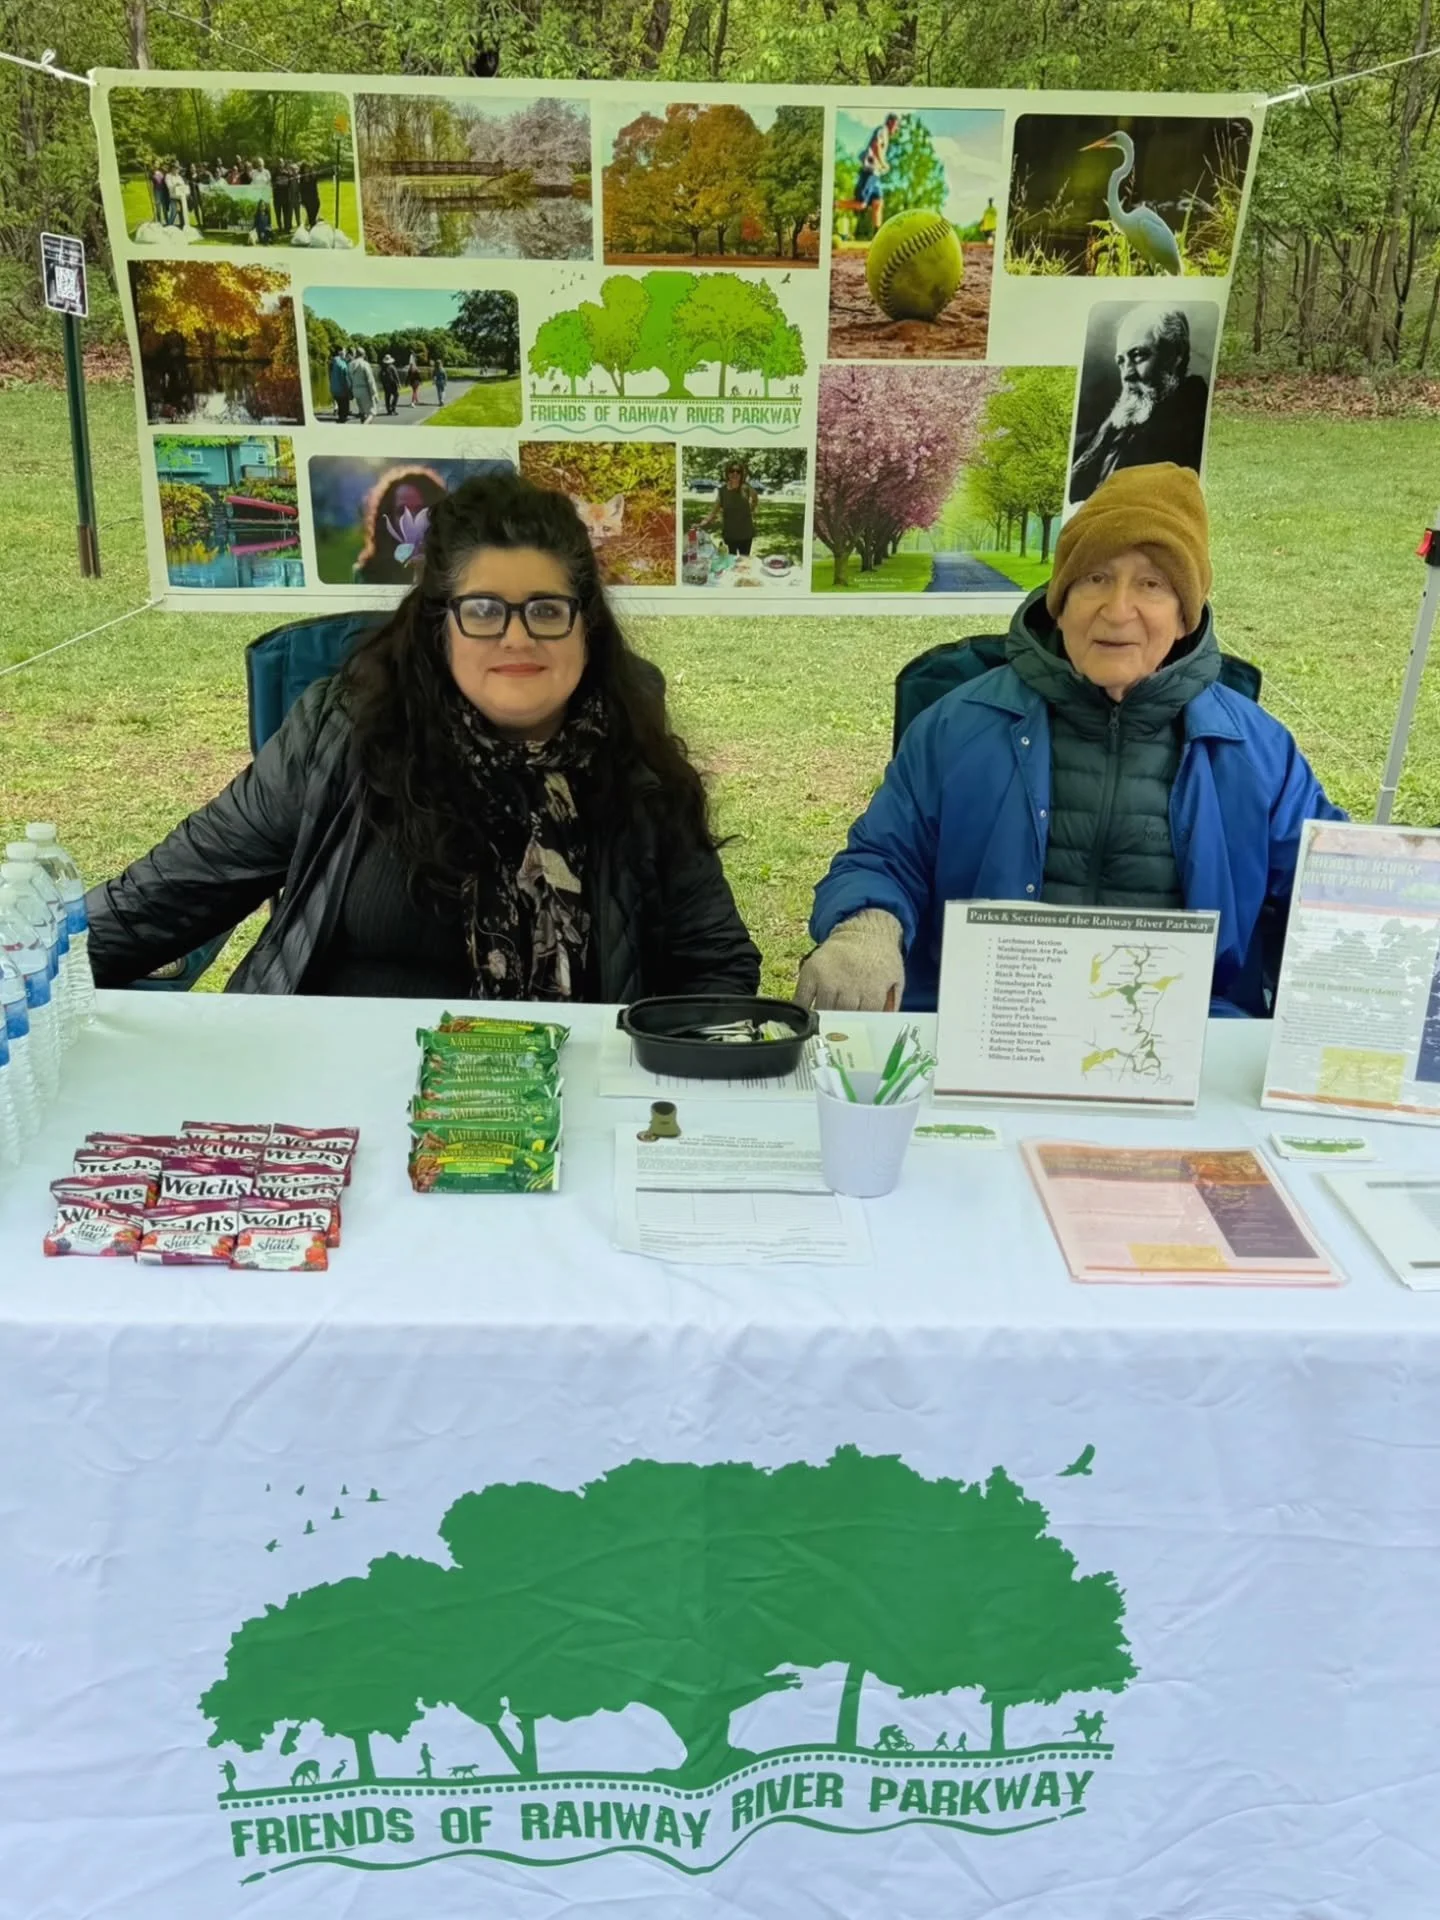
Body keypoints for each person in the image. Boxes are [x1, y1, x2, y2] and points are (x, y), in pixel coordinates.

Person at [85, 473, 761, 1003]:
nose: (517, 637)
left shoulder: (633, 762)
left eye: (548, 610)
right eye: (485, 610)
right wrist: (25, 969)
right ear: (440, 625)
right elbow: (170, 894)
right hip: (339, 1111)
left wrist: (665, 1098)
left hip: (562, 1118)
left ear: (588, 626)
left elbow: (714, 963)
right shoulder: (340, 735)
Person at [799, 464, 1345, 1019]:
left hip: (1185, 1044)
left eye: (1152, 585)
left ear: (1186, 614)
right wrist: (866, 926)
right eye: (1095, 578)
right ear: (1060, 601)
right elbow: (883, 857)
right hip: (987, 1027)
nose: (1117, 610)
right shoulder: (956, 725)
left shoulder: (1256, 752)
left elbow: (1333, 888)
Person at [1069, 307, 1211, 504]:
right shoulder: (1109, 430)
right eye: (1121, 361)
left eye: (1138, 355)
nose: (1127, 374)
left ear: (1175, 355)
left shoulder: (1191, 428)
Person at [354, 467, 449, 585]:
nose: (411, 520)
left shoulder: (456, 567)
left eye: (420, 510)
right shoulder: (368, 574)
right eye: (402, 512)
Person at [837, 113, 900, 232]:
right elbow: (876, 146)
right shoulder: (883, 130)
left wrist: (881, 165)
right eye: (896, 126)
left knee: (878, 203)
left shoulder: (885, 134)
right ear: (891, 122)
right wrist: (883, 163)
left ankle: (878, 234)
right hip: (869, 172)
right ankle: (834, 205)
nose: (896, 129)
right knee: (861, 204)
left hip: (876, 175)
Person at [702, 463, 758, 557]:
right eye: (732, 471)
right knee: (731, 561)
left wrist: (752, 508)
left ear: (741, 474)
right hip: (730, 534)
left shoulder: (746, 487)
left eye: (738, 471)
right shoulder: (722, 491)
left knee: (744, 562)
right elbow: (714, 511)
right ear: (727, 473)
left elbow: (755, 498)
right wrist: (703, 522)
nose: (735, 473)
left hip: (746, 534)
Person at [349, 348, 377, 423]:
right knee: (372, 412)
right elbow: (370, 380)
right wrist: (374, 393)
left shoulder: (351, 364)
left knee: (362, 412)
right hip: (364, 390)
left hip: (355, 390)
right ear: (363, 355)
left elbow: (349, 379)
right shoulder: (365, 364)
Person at [328, 348, 353, 424]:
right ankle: (342, 421)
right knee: (344, 407)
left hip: (334, 389)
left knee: (340, 406)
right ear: (341, 353)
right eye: (345, 352)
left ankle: (340, 418)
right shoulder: (342, 364)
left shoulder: (332, 363)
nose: (345, 354)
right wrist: (348, 389)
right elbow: (344, 378)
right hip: (341, 390)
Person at [299, 165, 322, 230]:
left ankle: (312, 225)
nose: (307, 169)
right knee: (310, 215)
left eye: (308, 168)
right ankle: (312, 227)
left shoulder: (313, 176)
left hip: (314, 197)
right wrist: (302, 200)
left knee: (315, 210)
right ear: (303, 169)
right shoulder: (301, 178)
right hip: (307, 199)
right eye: (306, 168)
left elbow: (317, 178)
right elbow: (301, 190)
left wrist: (315, 174)